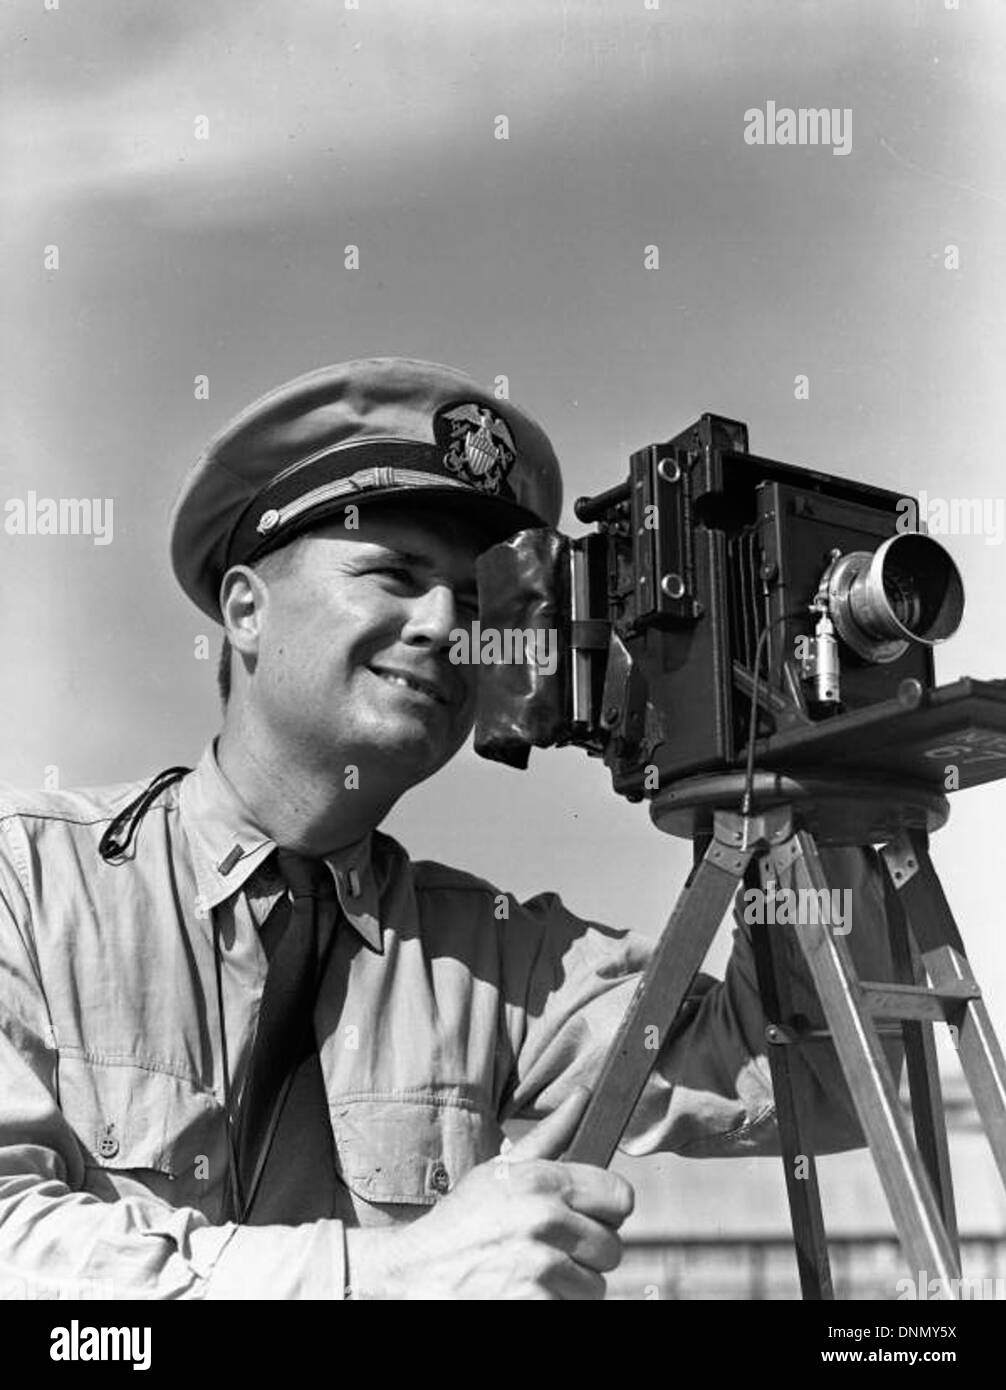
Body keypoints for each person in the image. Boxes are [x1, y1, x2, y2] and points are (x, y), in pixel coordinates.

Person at [0, 358, 896, 1300]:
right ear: (245, 609)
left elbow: (819, 1081)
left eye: (477, 606)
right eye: (395, 575)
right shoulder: (30, 880)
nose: (442, 627)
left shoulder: (502, 961)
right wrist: (389, 1275)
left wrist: (791, 756)